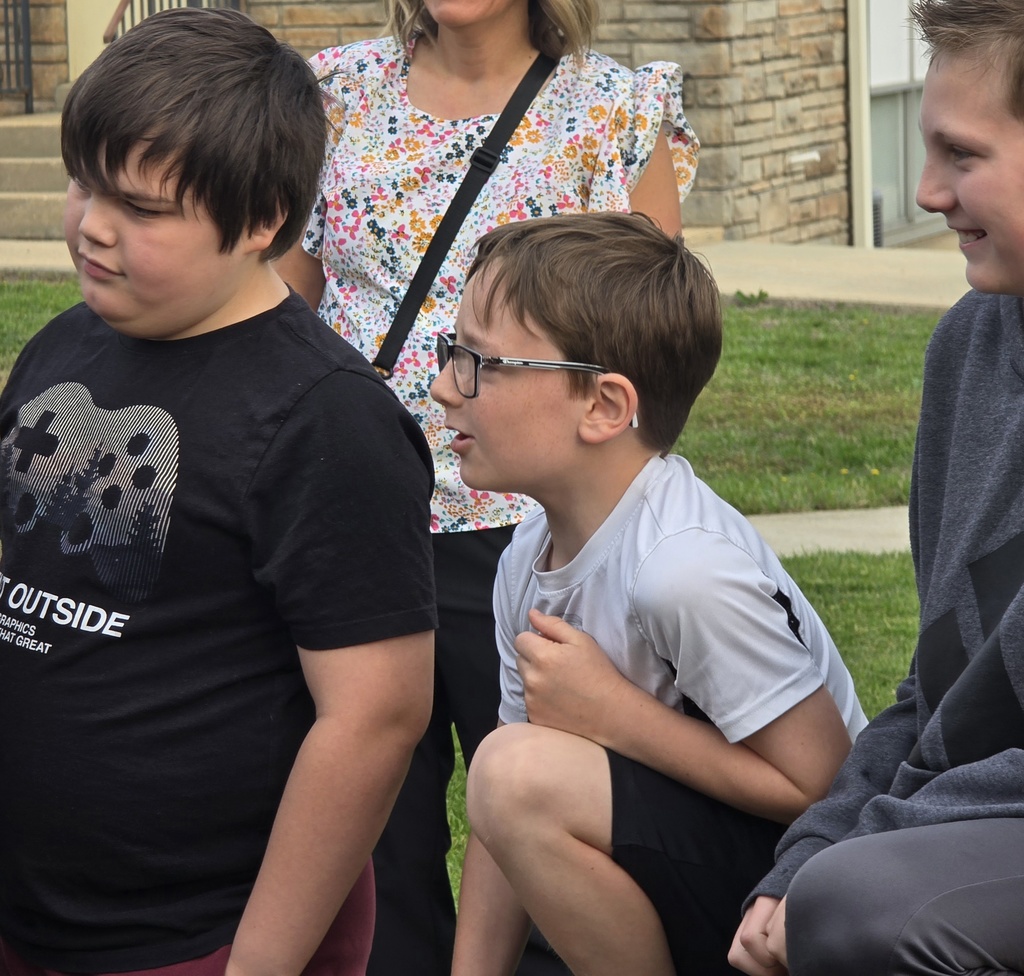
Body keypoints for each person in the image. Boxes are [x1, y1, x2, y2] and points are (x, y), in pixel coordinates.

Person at [0, 9, 436, 976]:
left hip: (200, 935)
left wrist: (260, 964)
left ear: (262, 222)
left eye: (143, 208)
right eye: (84, 182)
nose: (93, 226)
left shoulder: (328, 422)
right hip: (34, 914)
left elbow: (374, 717)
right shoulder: (64, 345)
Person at [275, 0, 700, 972]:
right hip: (352, 523)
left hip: (532, 536)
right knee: (369, 852)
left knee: (551, 824)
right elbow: (285, 317)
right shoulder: (330, 96)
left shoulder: (614, 109)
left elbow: (649, 348)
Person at [426, 211, 869, 976]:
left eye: (481, 363)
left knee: (513, 770)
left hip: (802, 889)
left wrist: (616, 717)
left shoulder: (681, 571)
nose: (441, 388)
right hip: (690, 866)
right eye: (450, 353)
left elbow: (826, 783)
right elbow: (504, 819)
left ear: (604, 406)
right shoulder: (524, 560)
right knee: (511, 768)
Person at [728, 2, 1024, 973]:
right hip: (974, 809)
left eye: (961, 153)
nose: (926, 190)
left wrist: (856, 849)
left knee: (861, 903)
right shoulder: (968, 346)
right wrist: (806, 850)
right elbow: (940, 679)